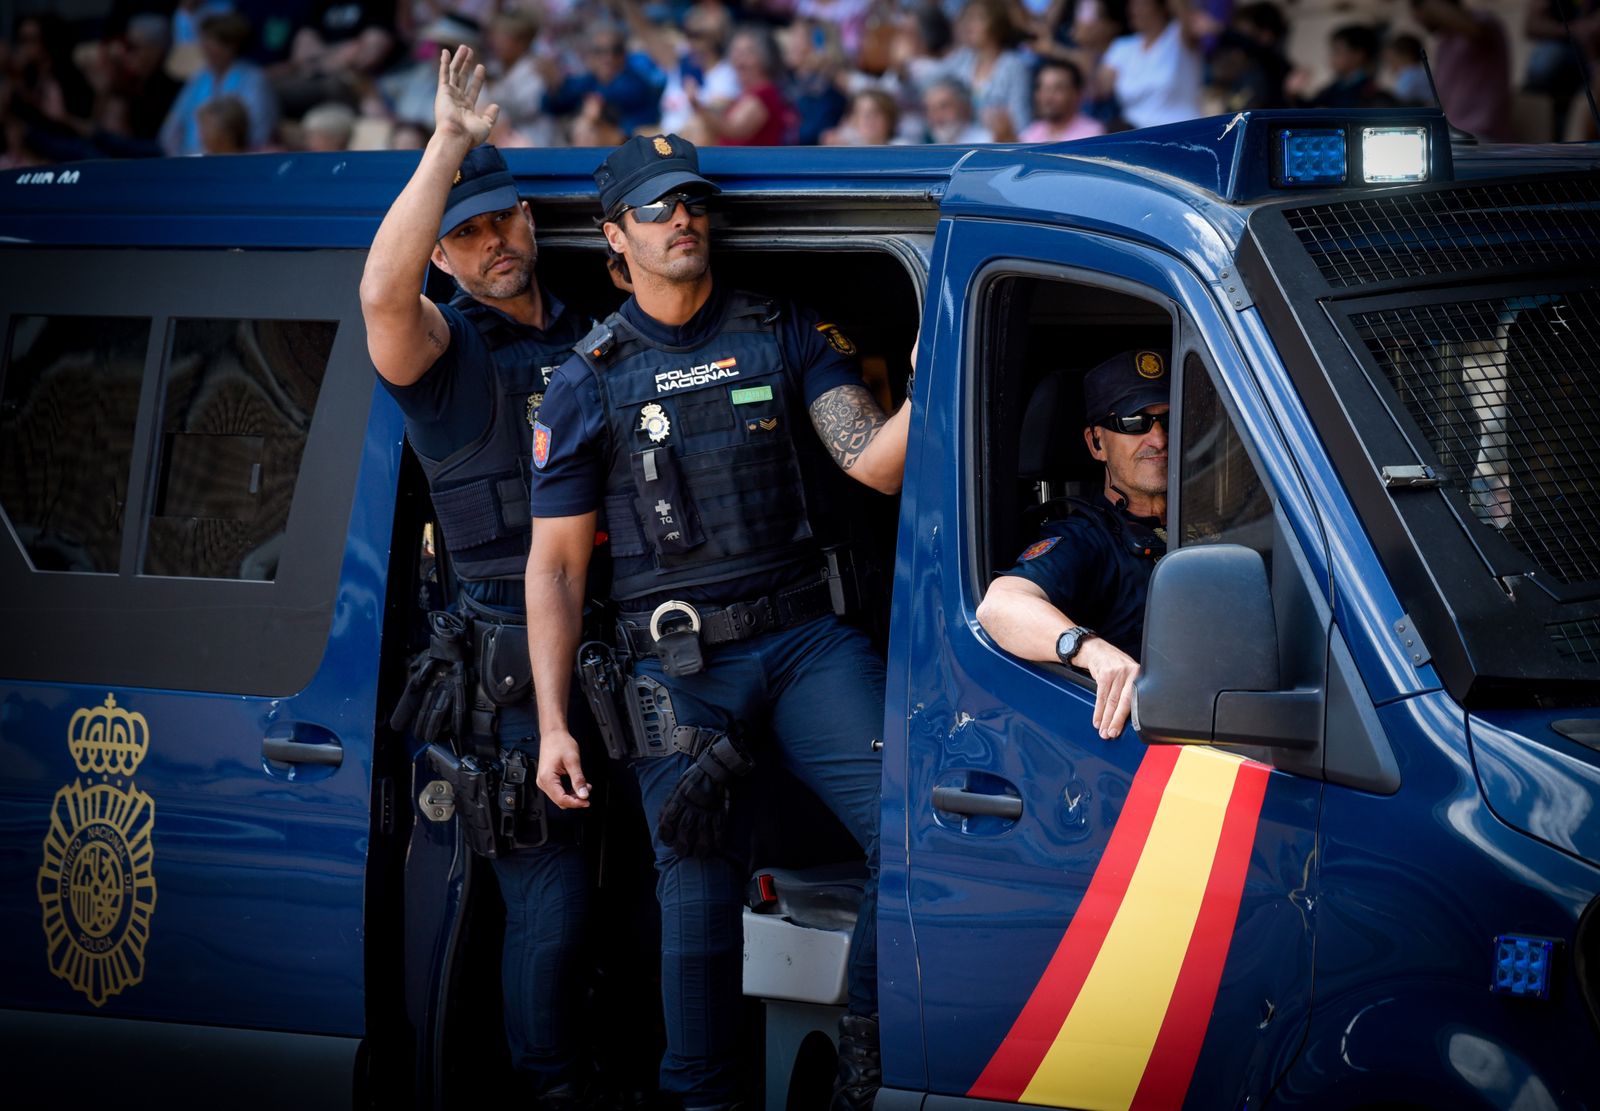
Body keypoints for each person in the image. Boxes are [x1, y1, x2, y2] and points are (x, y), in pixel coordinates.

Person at [525, 132, 911, 1110]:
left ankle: (864, 1065)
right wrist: (552, 724)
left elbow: (875, 462)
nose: (682, 218)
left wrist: (941, 347)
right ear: (615, 234)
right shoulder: (587, 380)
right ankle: (702, 1099)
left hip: (807, 643)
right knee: (695, 897)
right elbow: (558, 567)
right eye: (656, 208)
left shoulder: (780, 328)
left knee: (909, 839)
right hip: (680, 666)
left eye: (691, 200)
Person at [358, 45, 594, 1107]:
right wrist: (448, 143)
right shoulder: (445, 361)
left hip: (627, 654)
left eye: (502, 218)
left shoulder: (600, 330)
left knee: (641, 899)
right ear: (442, 258)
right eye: (467, 232)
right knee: (548, 917)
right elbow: (378, 292)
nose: (494, 243)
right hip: (504, 678)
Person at [975, 349, 1170, 740]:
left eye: (1169, 419)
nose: (1159, 438)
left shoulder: (1225, 523)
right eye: (1134, 422)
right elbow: (1000, 606)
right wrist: (1091, 651)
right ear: (1097, 443)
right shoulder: (1083, 536)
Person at [159, 11, 279, 155]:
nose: (205, 48)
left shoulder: (254, 79)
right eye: (204, 41)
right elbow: (171, 129)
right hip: (190, 159)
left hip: (235, 159)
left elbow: (259, 133)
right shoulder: (198, 78)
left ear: (231, 46)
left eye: (213, 42)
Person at [1410, 0, 1515, 142]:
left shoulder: (1484, 23)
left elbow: (1476, 31)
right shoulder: (1445, 41)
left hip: (1480, 136)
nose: (1416, 18)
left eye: (1418, 10)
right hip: (1453, 135)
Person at [1096, 0, 1205, 129]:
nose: (1134, 10)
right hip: (1135, 137)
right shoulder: (1121, 46)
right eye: (1132, 5)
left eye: (1142, 4)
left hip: (1182, 133)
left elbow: (1187, 17)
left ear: (1162, 7)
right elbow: (1101, 90)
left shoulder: (1179, 36)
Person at [1303, 24, 1397, 111]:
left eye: (1337, 51)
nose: (1331, 57)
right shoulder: (1333, 88)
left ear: (1358, 55)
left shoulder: (1371, 94)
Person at [1018, 58, 1105, 142]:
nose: (1048, 97)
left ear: (1077, 94)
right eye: (1043, 88)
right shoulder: (1030, 134)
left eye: (1058, 89)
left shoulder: (1093, 136)